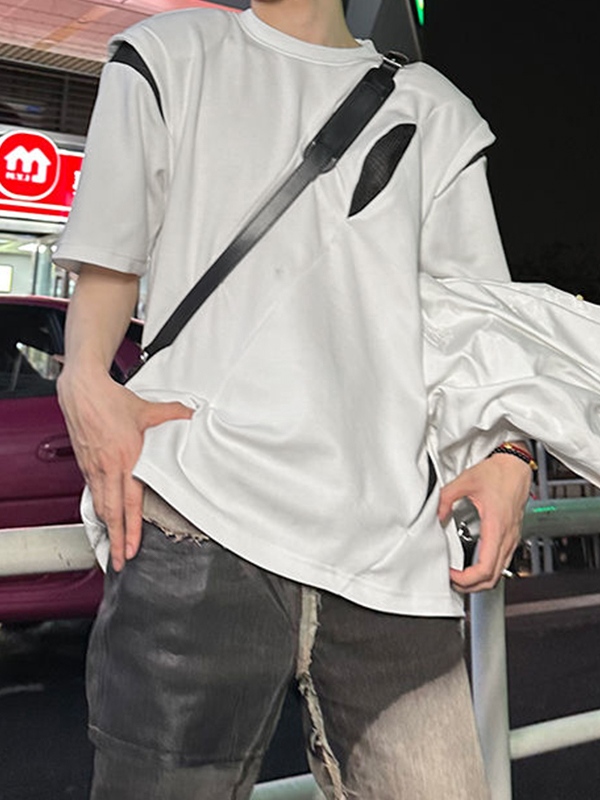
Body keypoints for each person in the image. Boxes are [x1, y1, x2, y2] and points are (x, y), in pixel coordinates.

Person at [54, 1, 533, 797]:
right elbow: (109, 260)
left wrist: (508, 453)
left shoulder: (436, 112)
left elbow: (478, 322)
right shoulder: (166, 54)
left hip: (392, 552)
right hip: (196, 516)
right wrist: (83, 380)